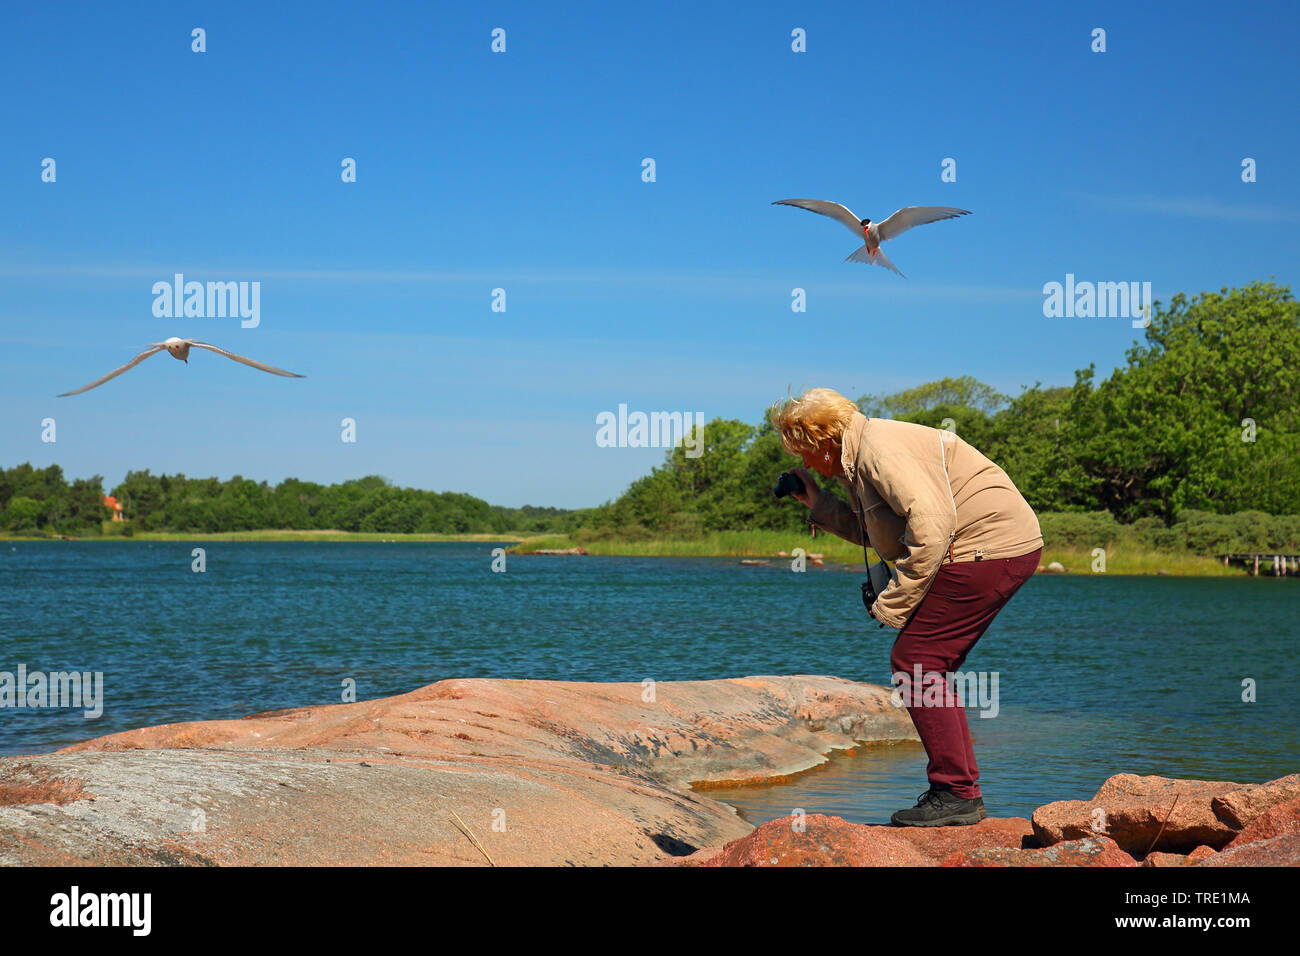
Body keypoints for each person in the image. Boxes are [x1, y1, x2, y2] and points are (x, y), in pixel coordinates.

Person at [770, 387, 1043, 826]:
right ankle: (958, 791)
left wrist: (892, 604)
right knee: (927, 662)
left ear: (824, 440)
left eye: (805, 452)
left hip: (989, 546)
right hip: (994, 547)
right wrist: (818, 502)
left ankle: (956, 794)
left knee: (917, 660)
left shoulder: (879, 450)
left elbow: (932, 530)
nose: (804, 462)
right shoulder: (860, 457)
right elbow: (876, 530)